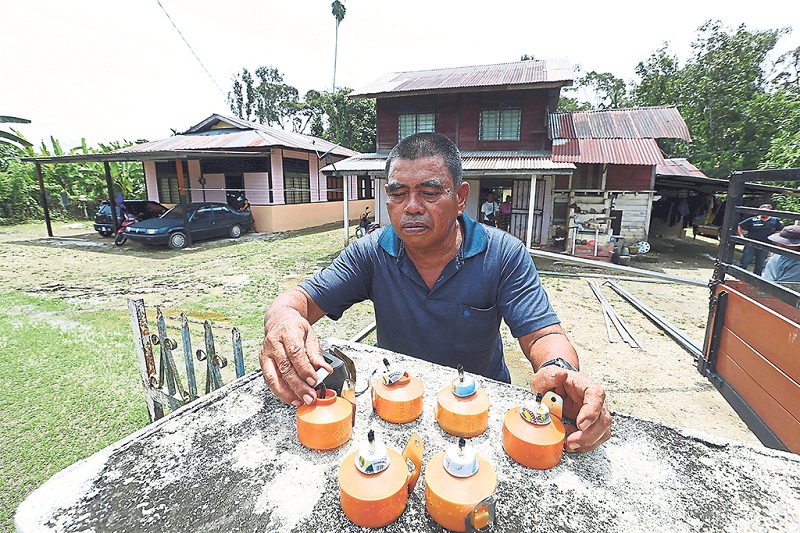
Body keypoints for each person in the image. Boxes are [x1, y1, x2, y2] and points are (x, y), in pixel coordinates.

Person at [259, 132, 611, 453]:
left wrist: (560, 370)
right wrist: (283, 320)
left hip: (477, 412)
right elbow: (300, 300)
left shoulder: (502, 253)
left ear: (459, 198)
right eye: (398, 194)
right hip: (398, 402)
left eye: (428, 193)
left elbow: (543, 334)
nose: (411, 206)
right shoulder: (371, 253)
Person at [738, 203, 783, 276]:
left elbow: (778, 230)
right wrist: (741, 236)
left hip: (765, 246)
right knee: (744, 262)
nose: (764, 213)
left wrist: (776, 240)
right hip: (751, 244)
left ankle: (756, 281)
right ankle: (739, 277)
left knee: (760, 265)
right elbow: (740, 226)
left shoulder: (775, 221)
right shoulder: (753, 219)